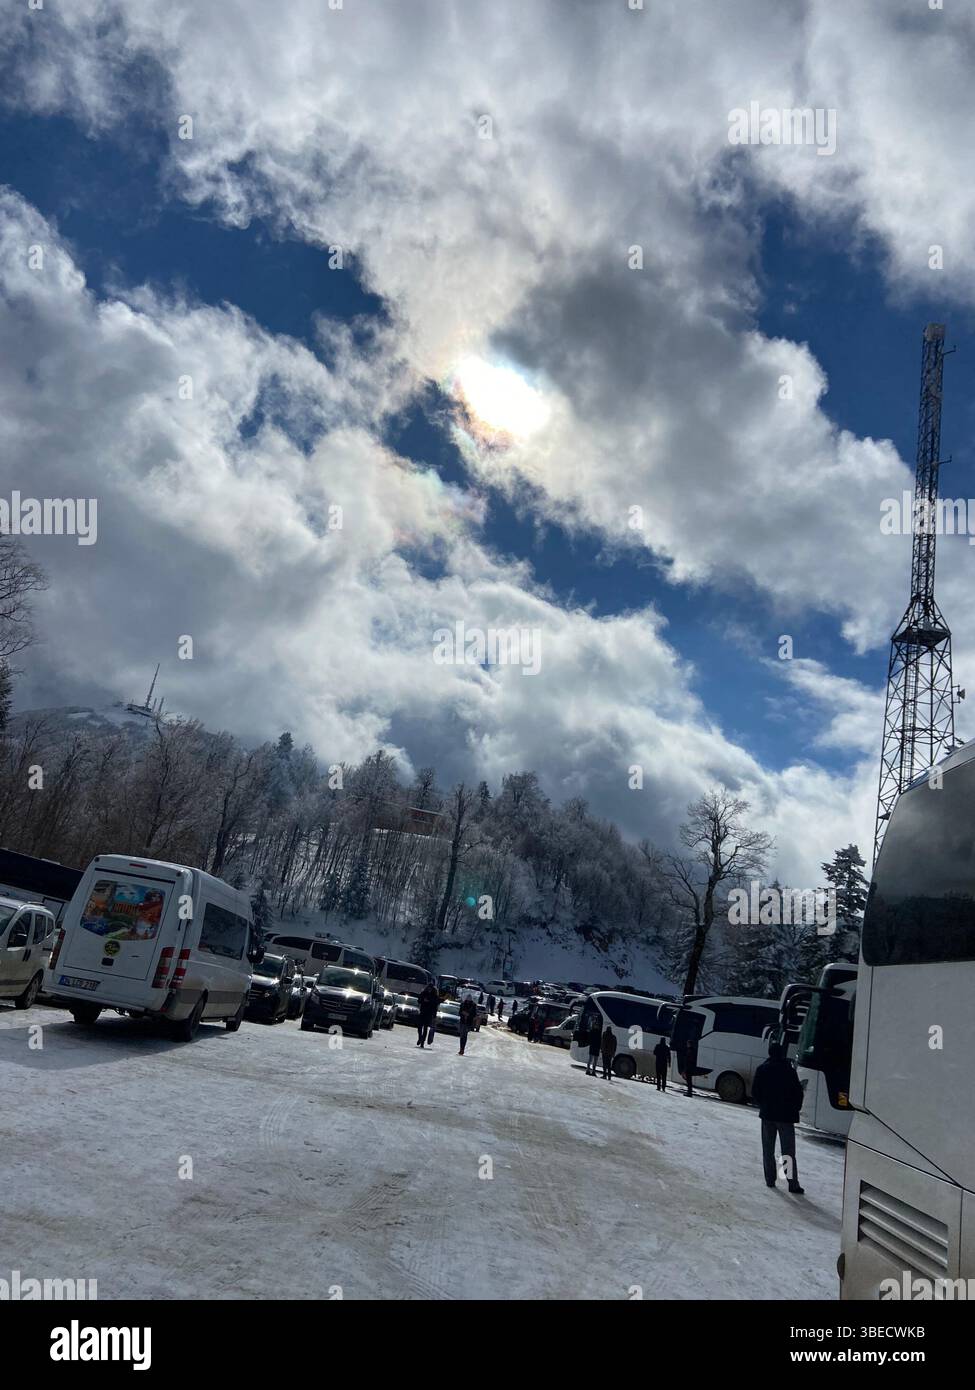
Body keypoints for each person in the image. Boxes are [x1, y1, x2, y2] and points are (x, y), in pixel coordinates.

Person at [751, 1041, 805, 1194]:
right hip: (786, 1117)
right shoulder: (789, 1070)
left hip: (768, 1115)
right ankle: (792, 1183)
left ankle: (770, 1179)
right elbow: (798, 1092)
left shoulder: (762, 1069)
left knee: (768, 1149)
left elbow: (755, 1091)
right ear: (782, 1054)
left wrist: (763, 1105)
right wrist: (795, 1108)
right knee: (787, 1151)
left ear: (769, 1053)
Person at [416, 981, 439, 1048]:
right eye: (428, 988)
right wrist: (423, 1000)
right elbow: (419, 1000)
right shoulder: (423, 993)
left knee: (425, 1028)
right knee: (419, 1027)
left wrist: (434, 1016)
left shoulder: (434, 995)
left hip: (429, 1013)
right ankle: (420, 1038)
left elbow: (435, 1005)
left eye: (431, 988)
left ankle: (422, 1042)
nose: (429, 989)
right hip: (422, 1012)